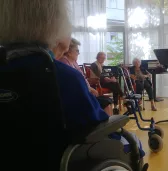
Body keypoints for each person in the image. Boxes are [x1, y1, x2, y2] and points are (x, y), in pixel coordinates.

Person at [0, 0, 144, 164]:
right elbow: (94, 124)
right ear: (55, 25)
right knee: (134, 143)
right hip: (63, 159)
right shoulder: (63, 76)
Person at [57, 38, 113, 115]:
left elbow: (83, 78)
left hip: (84, 92)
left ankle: (111, 124)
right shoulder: (64, 63)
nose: (78, 53)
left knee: (107, 102)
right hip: (78, 97)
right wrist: (89, 90)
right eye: (77, 51)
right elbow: (75, 83)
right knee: (106, 103)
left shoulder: (73, 62)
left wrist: (89, 88)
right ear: (69, 52)